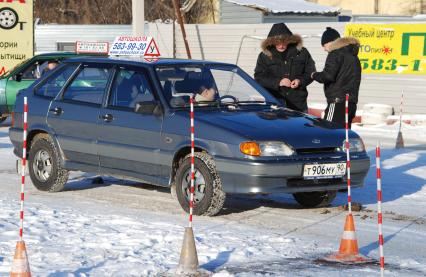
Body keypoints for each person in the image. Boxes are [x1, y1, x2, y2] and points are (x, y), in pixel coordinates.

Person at [254, 23, 316, 112]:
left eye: (284, 42)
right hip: (275, 102)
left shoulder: (302, 53)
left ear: (289, 41)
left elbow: (311, 72)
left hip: (298, 104)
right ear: (271, 42)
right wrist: (278, 82)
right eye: (277, 43)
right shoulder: (264, 56)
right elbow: (259, 77)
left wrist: (300, 81)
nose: (281, 46)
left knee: (298, 126)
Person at [311, 27, 361, 128]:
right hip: (351, 102)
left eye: (324, 45)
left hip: (337, 102)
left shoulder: (335, 53)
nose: (324, 49)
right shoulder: (354, 56)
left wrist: (314, 75)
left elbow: (328, 76)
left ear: (331, 42)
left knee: (328, 132)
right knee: (344, 135)